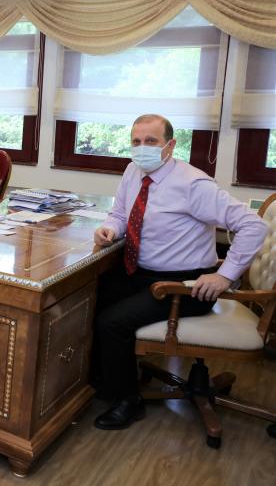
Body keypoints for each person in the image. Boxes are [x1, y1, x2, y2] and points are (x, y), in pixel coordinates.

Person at [91, 114, 266, 431]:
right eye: (136, 141)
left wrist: (224, 276)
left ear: (170, 146)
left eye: (151, 141)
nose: (141, 148)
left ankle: (127, 400)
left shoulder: (193, 184)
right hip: (141, 273)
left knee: (112, 322)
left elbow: (254, 225)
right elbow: (120, 213)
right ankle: (97, 381)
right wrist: (110, 229)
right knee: (88, 299)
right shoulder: (133, 171)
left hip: (187, 285)